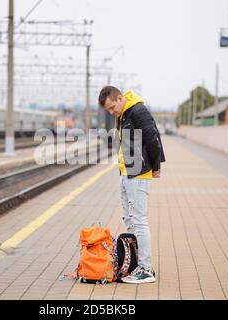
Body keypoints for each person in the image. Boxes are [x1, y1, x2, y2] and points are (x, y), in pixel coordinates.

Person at [98, 86, 166, 284]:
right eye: (108, 110)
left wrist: (156, 166)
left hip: (139, 172)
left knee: (139, 220)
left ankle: (145, 269)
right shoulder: (124, 113)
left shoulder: (138, 111)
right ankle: (137, 264)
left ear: (120, 98)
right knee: (129, 218)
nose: (112, 112)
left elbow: (153, 138)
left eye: (112, 107)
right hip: (126, 172)